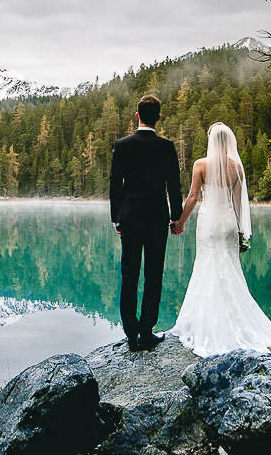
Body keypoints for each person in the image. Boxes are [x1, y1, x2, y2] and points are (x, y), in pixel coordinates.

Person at [169, 122, 271, 357]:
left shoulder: (200, 165)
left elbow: (193, 196)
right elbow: (238, 204)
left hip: (209, 222)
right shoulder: (236, 167)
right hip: (227, 222)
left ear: (210, 141)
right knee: (229, 269)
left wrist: (180, 222)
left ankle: (207, 323)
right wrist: (239, 231)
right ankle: (235, 320)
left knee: (207, 266)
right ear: (228, 142)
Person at [109, 95, 183, 352]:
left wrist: (116, 217)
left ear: (137, 115)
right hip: (156, 218)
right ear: (158, 118)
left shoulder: (122, 144)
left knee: (129, 275)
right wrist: (176, 218)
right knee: (153, 274)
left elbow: (115, 185)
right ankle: (146, 331)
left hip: (129, 217)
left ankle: (131, 334)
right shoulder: (166, 146)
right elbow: (174, 185)